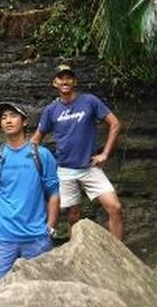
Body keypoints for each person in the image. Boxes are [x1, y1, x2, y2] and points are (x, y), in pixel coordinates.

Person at [30, 63, 125, 239]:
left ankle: (118, 252)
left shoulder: (89, 101)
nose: (65, 81)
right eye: (61, 78)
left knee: (115, 208)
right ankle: (78, 250)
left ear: (74, 81)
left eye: (69, 78)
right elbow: (36, 140)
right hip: (65, 170)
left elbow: (115, 124)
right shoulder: (51, 110)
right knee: (73, 215)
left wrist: (105, 153)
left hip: (90, 167)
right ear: (55, 83)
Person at [0, 102, 60, 285]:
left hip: (37, 238)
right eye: (4, 117)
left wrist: (50, 228)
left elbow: (54, 194)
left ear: (24, 122)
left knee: (42, 289)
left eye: (13, 116)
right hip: (3, 238)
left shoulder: (42, 155)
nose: (8, 120)